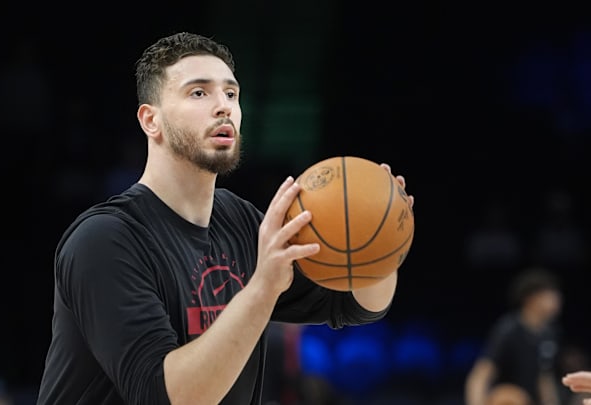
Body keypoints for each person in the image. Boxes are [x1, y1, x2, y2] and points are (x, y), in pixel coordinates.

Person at [35, 31, 415, 405]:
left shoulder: (240, 222)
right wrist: (262, 289)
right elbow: (165, 396)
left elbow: (354, 305)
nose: (223, 106)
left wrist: (380, 242)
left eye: (231, 93)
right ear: (151, 121)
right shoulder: (103, 240)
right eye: (199, 93)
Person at [465, 268, 563, 405]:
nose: (558, 299)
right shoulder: (508, 329)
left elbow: (544, 377)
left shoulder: (550, 334)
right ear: (532, 298)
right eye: (551, 295)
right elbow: (481, 374)